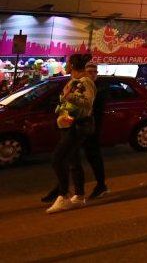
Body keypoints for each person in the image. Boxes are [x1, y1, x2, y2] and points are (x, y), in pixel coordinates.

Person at [41, 63, 109, 204]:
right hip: (76, 127)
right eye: (88, 71)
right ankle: (67, 191)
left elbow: (93, 109)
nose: (91, 74)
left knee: (90, 158)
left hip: (88, 129)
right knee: (71, 159)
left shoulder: (96, 87)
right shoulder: (80, 84)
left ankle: (98, 186)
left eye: (93, 71)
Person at [46, 53, 97, 213]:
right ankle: (79, 195)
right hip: (68, 125)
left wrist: (69, 96)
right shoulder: (74, 81)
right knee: (73, 161)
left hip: (78, 126)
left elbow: (87, 103)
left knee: (57, 159)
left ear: (73, 66)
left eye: (67, 62)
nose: (65, 65)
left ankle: (63, 196)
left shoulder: (85, 81)